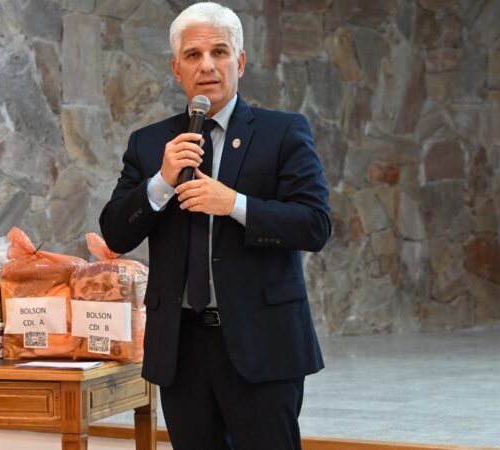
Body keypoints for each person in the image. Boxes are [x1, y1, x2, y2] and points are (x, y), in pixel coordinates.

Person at [99, 2, 331, 449]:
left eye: (219, 52)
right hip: (181, 349)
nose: (207, 65)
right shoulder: (150, 144)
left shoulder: (282, 132)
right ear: (176, 69)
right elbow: (115, 233)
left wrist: (236, 204)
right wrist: (160, 183)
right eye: (192, 55)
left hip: (262, 343)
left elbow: (315, 224)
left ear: (239, 62)